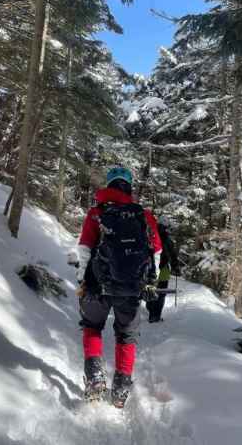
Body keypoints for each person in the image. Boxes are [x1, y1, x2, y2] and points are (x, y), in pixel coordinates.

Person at [68, 166, 162, 408]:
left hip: (98, 285)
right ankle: (120, 388)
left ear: (109, 186)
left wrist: (82, 279)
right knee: (127, 335)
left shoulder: (96, 213)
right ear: (128, 186)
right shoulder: (143, 215)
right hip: (131, 288)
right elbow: (157, 252)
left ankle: (95, 378)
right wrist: (150, 281)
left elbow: (85, 249)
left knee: (92, 326)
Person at [146, 216, 181, 323]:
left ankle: (152, 311)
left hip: (151, 268)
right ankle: (155, 314)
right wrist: (176, 267)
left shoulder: (150, 237)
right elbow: (173, 255)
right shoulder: (167, 240)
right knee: (161, 292)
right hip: (163, 268)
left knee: (152, 289)